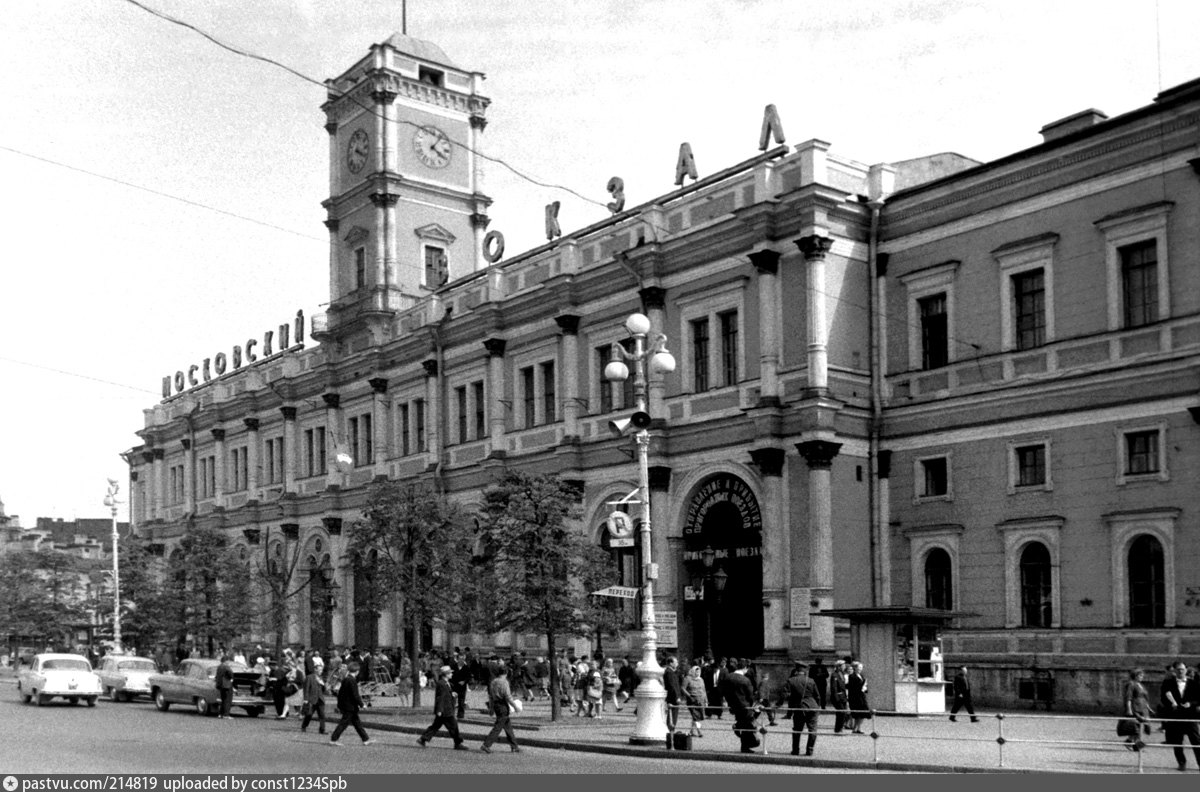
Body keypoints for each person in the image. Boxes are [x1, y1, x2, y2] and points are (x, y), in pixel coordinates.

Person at [1159, 659, 1200, 771]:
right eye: (1178, 670)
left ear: (1186, 670)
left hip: (1190, 717)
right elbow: (1163, 698)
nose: (1180, 672)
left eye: (1182, 669)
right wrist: (1171, 704)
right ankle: (1181, 763)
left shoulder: (1194, 683)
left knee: (1196, 741)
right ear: (1174, 671)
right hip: (1175, 716)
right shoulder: (1168, 683)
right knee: (1177, 742)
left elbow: (1198, 699)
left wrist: (1190, 703)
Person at [418, 666, 467, 751]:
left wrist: (452, 694)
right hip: (446, 710)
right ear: (446, 674)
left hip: (445, 709)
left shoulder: (447, 683)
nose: (452, 674)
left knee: (435, 726)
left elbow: (446, 695)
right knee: (454, 726)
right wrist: (439, 710)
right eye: (450, 673)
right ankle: (458, 743)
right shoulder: (441, 684)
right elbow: (441, 698)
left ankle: (423, 738)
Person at [720, 658, 760, 754]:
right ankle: (744, 744)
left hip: (733, 705)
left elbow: (723, 690)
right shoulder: (745, 680)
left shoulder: (728, 677)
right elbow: (750, 695)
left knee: (744, 724)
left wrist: (728, 701)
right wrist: (752, 704)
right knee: (747, 726)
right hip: (745, 706)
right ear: (745, 668)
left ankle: (744, 744)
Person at [329, 659, 371, 746]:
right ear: (357, 671)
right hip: (350, 707)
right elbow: (355, 695)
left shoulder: (346, 679)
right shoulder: (352, 680)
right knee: (344, 724)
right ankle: (333, 739)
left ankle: (365, 739)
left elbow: (341, 694)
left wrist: (339, 704)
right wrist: (362, 704)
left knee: (357, 723)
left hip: (347, 706)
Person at [782, 662, 820, 756]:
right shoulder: (811, 680)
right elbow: (817, 696)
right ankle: (809, 750)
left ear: (796, 670)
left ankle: (795, 750)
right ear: (805, 671)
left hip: (799, 707)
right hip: (812, 707)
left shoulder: (791, 680)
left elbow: (784, 695)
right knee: (813, 729)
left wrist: (779, 704)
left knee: (797, 729)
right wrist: (817, 706)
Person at [481, 666, 520, 753]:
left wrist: (491, 708)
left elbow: (490, 696)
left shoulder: (493, 681)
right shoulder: (504, 682)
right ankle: (486, 744)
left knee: (507, 726)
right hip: (503, 704)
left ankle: (514, 745)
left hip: (496, 704)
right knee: (498, 727)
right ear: (506, 673)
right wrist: (515, 706)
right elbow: (508, 696)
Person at [1119, 667, 1152, 750]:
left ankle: (1131, 742)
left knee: (1142, 726)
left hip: (1143, 708)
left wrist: (1148, 707)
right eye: (1140, 675)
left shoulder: (1141, 685)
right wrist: (1129, 709)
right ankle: (1135, 745)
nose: (1142, 677)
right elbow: (1128, 697)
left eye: (1142, 675)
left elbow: (1145, 697)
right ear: (1135, 675)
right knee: (1136, 727)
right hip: (1136, 708)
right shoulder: (1131, 684)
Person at [300, 658, 326, 735]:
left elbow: (323, 690)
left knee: (322, 715)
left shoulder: (321, 678)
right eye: (320, 670)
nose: (321, 671)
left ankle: (322, 729)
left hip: (320, 699)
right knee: (309, 714)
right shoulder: (309, 677)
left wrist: (323, 684)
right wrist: (306, 699)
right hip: (312, 699)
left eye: (321, 670)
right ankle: (304, 726)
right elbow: (306, 688)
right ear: (315, 670)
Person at [683, 664, 708, 738]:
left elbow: (704, 690)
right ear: (693, 671)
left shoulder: (701, 679)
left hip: (701, 700)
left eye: (699, 672)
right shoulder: (687, 678)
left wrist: (706, 701)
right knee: (696, 715)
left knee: (697, 716)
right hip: (692, 700)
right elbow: (683, 688)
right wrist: (689, 696)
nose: (698, 673)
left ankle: (691, 731)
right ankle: (699, 731)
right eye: (696, 672)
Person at [662, 656, 683, 732]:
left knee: (674, 715)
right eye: (676, 662)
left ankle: (671, 730)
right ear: (671, 663)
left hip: (674, 697)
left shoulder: (672, 672)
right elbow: (672, 685)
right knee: (672, 715)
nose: (677, 663)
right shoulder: (669, 672)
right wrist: (677, 696)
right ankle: (670, 730)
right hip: (673, 697)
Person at [829, 659, 850, 733]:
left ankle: (839, 729)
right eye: (843, 665)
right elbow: (834, 688)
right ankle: (838, 729)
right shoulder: (835, 675)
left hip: (843, 697)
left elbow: (844, 686)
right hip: (838, 698)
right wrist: (836, 698)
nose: (844, 666)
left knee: (842, 713)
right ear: (839, 666)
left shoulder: (842, 674)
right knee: (841, 712)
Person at [848, 660, 869, 734]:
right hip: (856, 697)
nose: (860, 669)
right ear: (855, 668)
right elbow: (852, 687)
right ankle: (855, 728)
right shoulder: (852, 676)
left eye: (861, 667)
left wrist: (865, 688)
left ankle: (858, 728)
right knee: (858, 714)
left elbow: (864, 684)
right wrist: (862, 687)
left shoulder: (861, 675)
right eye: (859, 667)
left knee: (862, 713)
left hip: (861, 696)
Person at [214, 653, 234, 720]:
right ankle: (226, 714)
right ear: (226, 660)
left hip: (220, 685)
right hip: (226, 685)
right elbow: (230, 673)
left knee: (223, 700)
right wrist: (231, 678)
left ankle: (220, 714)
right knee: (228, 700)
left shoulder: (219, 666)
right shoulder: (226, 666)